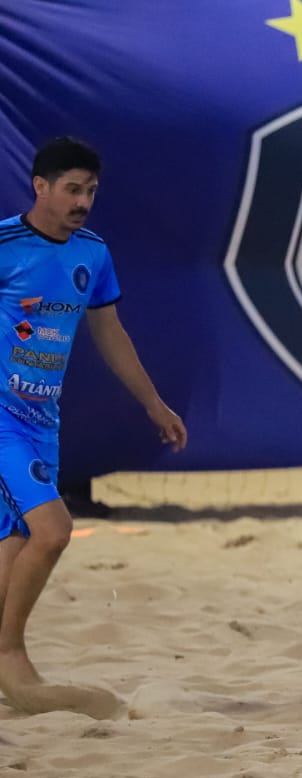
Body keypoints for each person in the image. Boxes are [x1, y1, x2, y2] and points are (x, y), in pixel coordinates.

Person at [0, 137, 186, 711]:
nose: (83, 201)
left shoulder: (92, 253)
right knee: (54, 530)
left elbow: (110, 333)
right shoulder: (6, 244)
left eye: (92, 192)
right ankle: (11, 659)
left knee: (16, 539)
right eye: (73, 190)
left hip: (41, 420)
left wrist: (154, 403)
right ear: (41, 187)